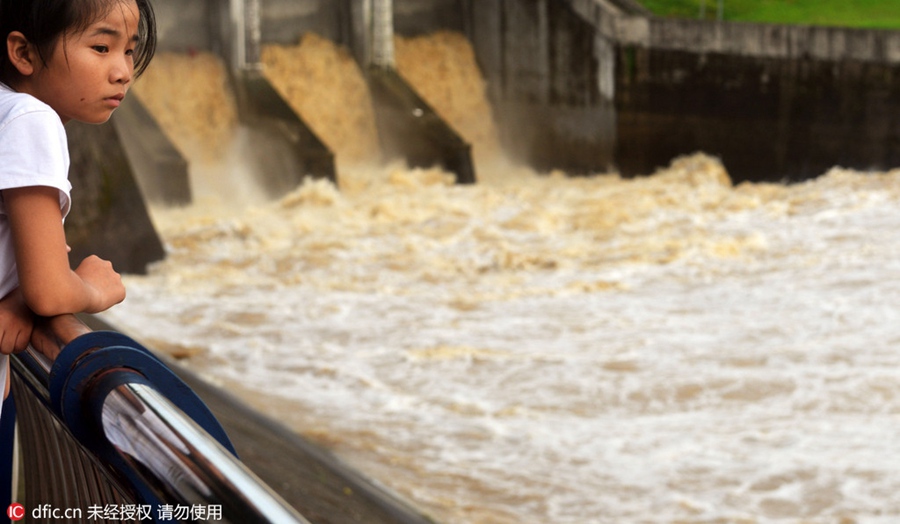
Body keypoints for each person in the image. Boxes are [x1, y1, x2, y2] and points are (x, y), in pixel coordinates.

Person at [0, 0, 157, 423]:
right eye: (102, 48)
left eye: (128, 50)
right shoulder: (31, 119)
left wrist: (19, 296)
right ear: (25, 53)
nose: (123, 71)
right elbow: (49, 291)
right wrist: (91, 288)